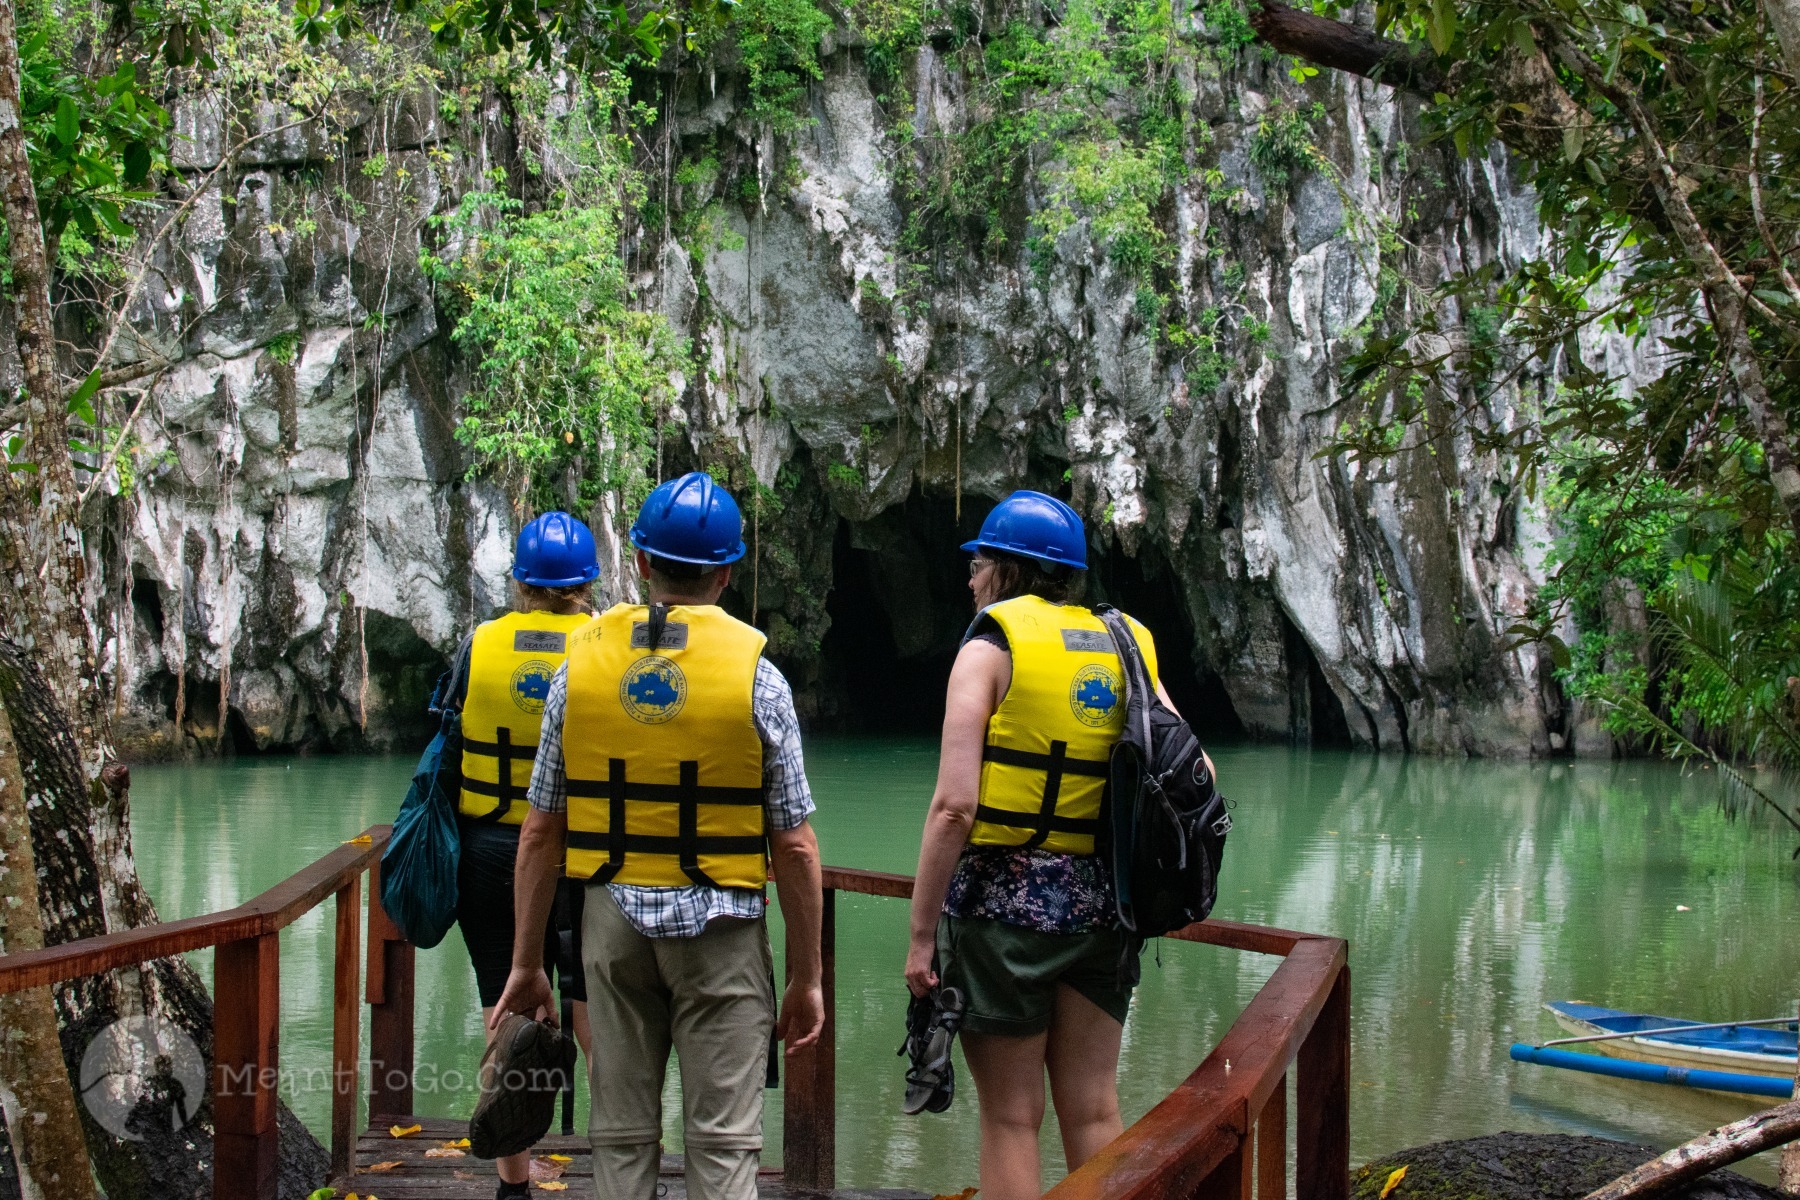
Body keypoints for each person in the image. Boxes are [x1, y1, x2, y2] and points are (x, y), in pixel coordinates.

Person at [494, 471, 825, 1200]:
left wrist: (527, 963)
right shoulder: (760, 682)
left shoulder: (576, 671)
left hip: (610, 927)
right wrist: (807, 977)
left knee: (619, 1138)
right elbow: (795, 846)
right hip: (723, 930)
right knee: (724, 1145)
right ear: (729, 572)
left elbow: (541, 830)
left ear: (640, 564)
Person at [903, 490, 1215, 1200]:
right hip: (1107, 909)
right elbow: (1197, 772)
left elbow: (954, 807)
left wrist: (921, 938)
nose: (972, 577)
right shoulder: (1127, 641)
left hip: (999, 914)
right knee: (1094, 1108)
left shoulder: (989, 648)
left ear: (1006, 570)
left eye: (979, 563)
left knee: (1012, 1119)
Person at [450, 510, 598, 1200]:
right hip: (576, 845)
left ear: (521, 582)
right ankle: (619, 1155)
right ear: (587, 582)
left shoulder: (480, 642)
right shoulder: (603, 646)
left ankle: (514, 1181)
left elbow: (447, 729)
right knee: (589, 1001)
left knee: (503, 1000)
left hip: (488, 850)